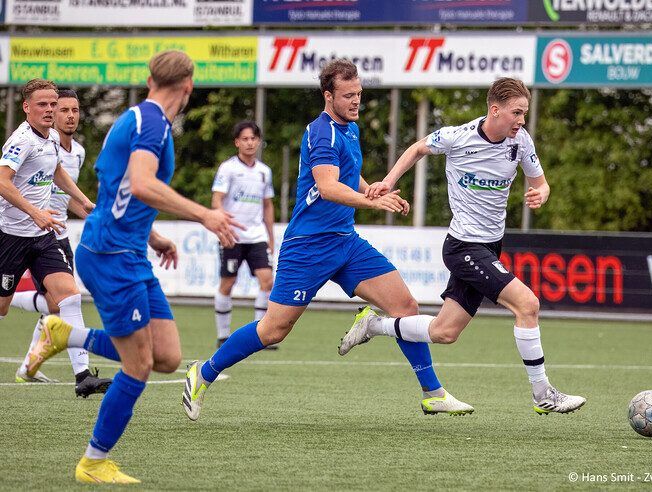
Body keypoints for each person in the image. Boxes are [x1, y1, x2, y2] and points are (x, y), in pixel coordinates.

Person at [181, 59, 473, 421]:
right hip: (308, 246)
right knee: (274, 330)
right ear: (328, 95)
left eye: (359, 94)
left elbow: (347, 173)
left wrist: (373, 187)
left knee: (405, 306)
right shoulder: (322, 132)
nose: (356, 101)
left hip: (346, 243)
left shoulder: (350, 128)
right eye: (348, 95)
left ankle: (433, 393)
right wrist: (371, 200)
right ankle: (202, 373)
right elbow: (328, 186)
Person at [24, 50, 242, 484]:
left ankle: (64, 333)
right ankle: (93, 462)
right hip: (110, 255)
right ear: (188, 86)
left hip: (128, 251)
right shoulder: (153, 123)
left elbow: (118, 194)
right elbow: (142, 184)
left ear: (150, 79)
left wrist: (153, 236)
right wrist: (206, 215)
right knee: (138, 364)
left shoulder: (132, 119)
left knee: (167, 357)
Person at [339, 77, 587, 415]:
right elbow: (417, 148)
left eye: (524, 114)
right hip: (464, 246)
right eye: (517, 112)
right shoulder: (458, 136)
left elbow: (541, 184)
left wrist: (540, 193)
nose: (521, 121)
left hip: (490, 246)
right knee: (527, 304)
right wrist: (388, 181)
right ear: (495, 109)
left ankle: (374, 325)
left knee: (445, 331)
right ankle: (543, 394)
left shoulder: (521, 142)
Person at [10, 89, 112, 396]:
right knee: (44, 304)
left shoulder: (73, 150)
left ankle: (70, 375)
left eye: (72, 109)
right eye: (59, 108)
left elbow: (60, 187)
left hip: (53, 233)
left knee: (65, 300)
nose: (66, 114)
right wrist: (36, 212)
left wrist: (85, 206)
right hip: (16, 231)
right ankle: (29, 365)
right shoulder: (27, 141)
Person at [212, 121, 277, 349]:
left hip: (257, 235)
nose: (250, 143)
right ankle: (223, 335)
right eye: (245, 139)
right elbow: (217, 200)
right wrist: (222, 227)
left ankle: (260, 334)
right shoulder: (228, 169)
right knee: (228, 283)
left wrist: (270, 236)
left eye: (253, 138)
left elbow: (267, 205)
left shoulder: (264, 172)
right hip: (233, 236)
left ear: (258, 141)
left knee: (267, 281)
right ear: (237, 142)